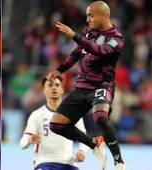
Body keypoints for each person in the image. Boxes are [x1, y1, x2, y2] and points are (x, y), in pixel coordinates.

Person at [46, 1, 126, 170]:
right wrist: (60, 70)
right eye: (87, 15)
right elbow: (77, 53)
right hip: (82, 86)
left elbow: (99, 50)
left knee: (100, 117)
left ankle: (118, 161)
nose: (88, 19)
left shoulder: (116, 38)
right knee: (56, 125)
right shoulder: (88, 32)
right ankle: (94, 145)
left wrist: (74, 36)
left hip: (102, 85)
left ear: (104, 16)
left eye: (91, 15)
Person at [20, 76, 89, 170]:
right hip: (45, 163)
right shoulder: (37, 115)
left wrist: (82, 151)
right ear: (44, 90)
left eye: (57, 85)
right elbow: (22, 143)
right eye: (50, 85)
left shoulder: (73, 113)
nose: (54, 88)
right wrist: (29, 140)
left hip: (69, 164)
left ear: (62, 90)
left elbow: (84, 137)